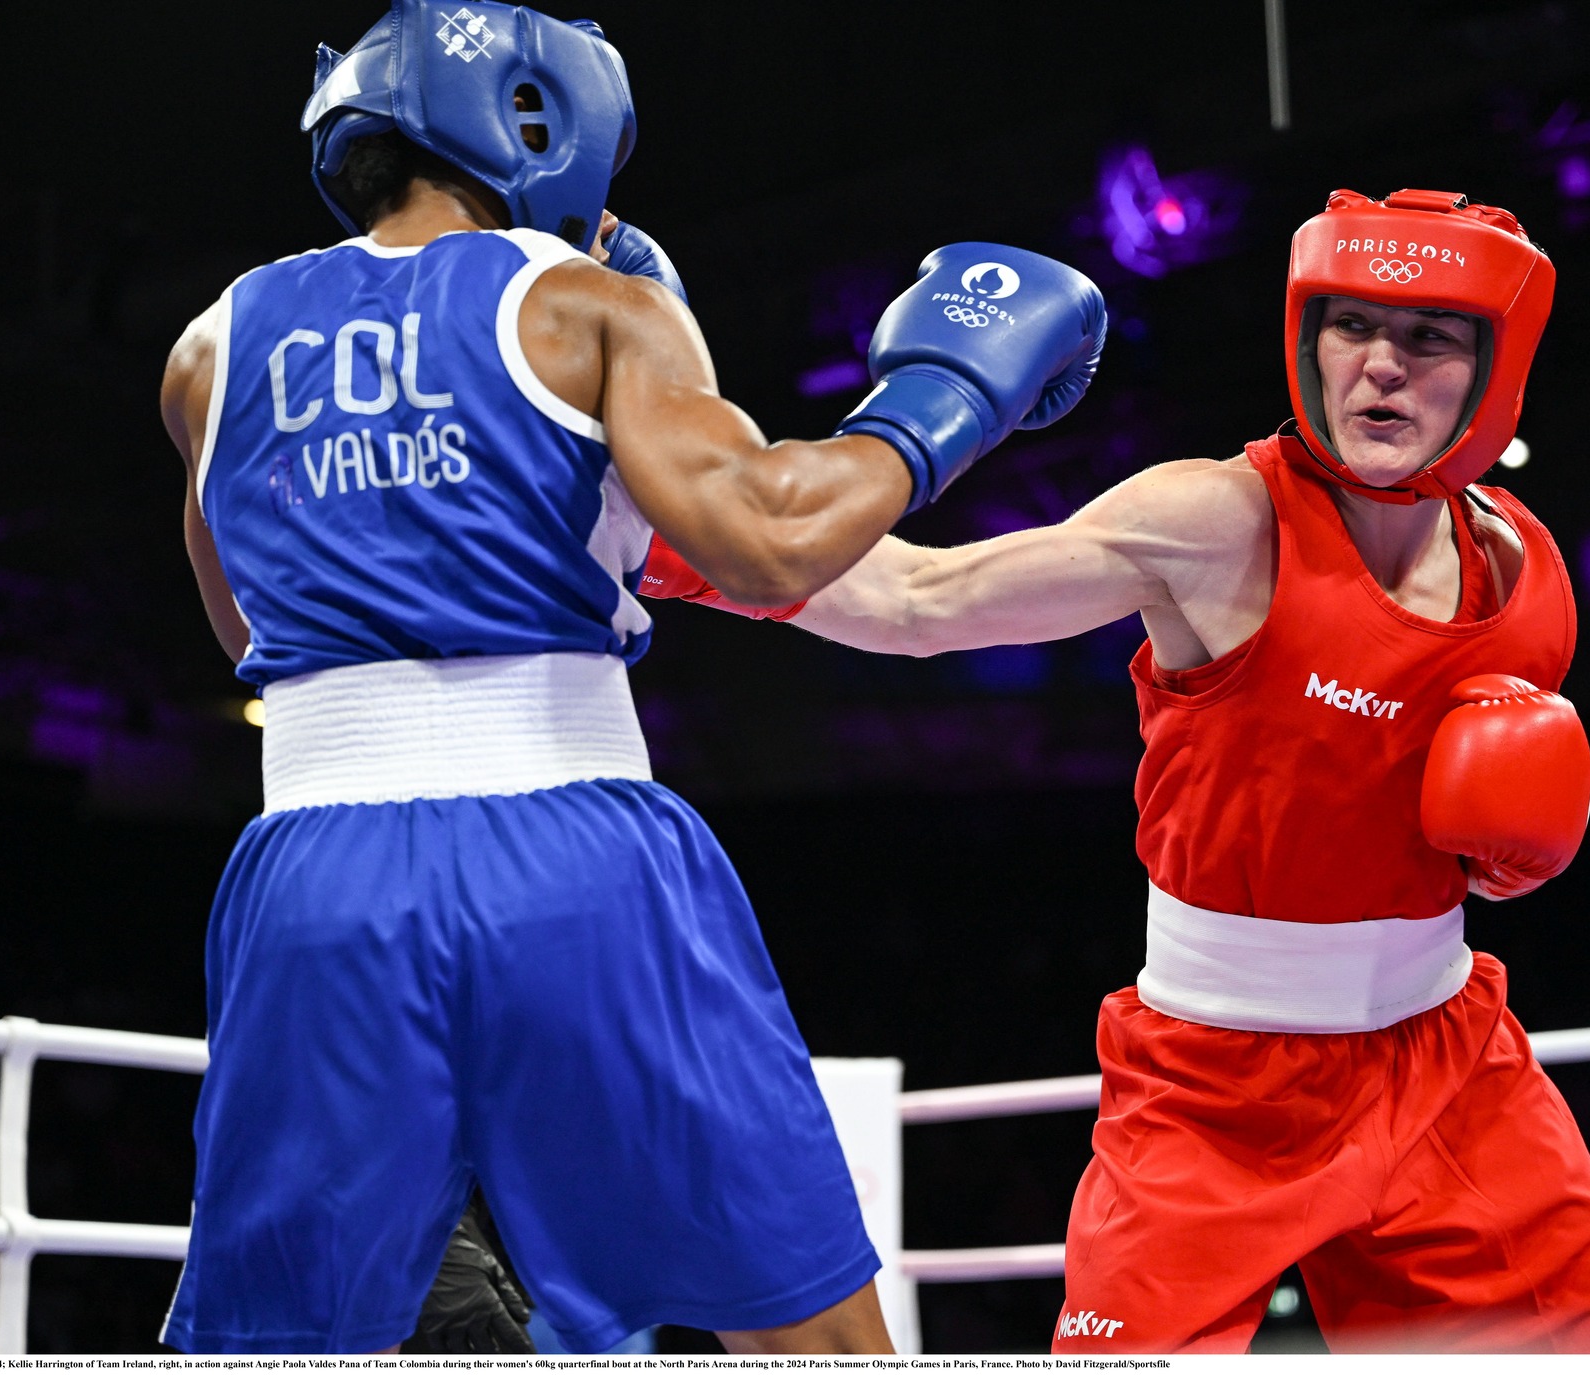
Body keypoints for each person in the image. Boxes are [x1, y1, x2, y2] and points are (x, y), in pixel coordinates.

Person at [152, 0, 1105, 1354]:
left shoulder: (208, 348)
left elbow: (243, 627)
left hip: (312, 878)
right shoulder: (592, 305)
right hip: (570, 855)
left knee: (277, 1343)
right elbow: (771, 538)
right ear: (547, 121)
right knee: (810, 1330)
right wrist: (942, 399)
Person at [642, 188, 1590, 1353]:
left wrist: (1503, 856)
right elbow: (916, 601)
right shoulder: (1219, 522)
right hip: (1214, 1091)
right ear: (1304, 340)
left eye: (1426, 337)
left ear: (1494, 365)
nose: (1378, 368)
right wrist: (676, 533)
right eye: (1350, 329)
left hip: (1445, 1063)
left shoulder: (1524, 572)